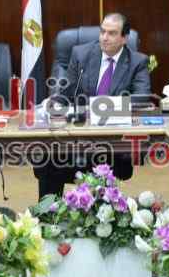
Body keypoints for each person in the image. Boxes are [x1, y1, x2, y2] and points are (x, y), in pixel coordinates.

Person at [34, 13, 151, 197]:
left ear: (124, 38)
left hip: (112, 143)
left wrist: (99, 107)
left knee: (105, 167)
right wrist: (52, 104)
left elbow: (142, 98)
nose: (105, 37)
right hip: (77, 137)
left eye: (112, 33)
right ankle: (48, 211)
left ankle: (103, 212)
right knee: (49, 157)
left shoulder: (137, 62)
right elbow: (67, 93)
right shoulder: (81, 54)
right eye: (102, 31)